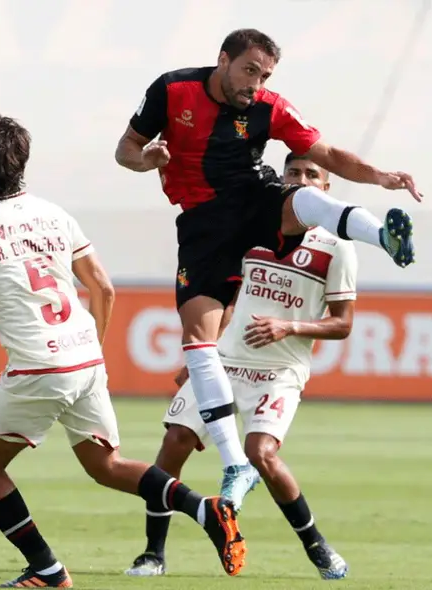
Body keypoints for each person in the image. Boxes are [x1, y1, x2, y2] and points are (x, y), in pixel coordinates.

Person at [0, 114, 247, 587]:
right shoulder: (55, 215)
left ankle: (47, 570)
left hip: (38, 366)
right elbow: (103, 288)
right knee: (106, 466)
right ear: (23, 164)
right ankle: (204, 508)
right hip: (85, 358)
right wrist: (91, 346)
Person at [115, 28, 420, 508]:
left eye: (264, 75)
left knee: (306, 199)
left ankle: (382, 235)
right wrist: (145, 159)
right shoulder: (172, 90)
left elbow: (329, 156)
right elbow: (125, 150)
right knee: (199, 343)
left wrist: (379, 176)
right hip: (203, 226)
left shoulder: (269, 108)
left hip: (253, 200)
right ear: (223, 60)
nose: (255, 84)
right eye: (249, 70)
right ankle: (235, 462)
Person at [124, 152, 354, 580]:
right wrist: (196, 358)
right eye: (293, 172)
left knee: (260, 454)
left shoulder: (336, 248)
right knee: (174, 442)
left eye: (311, 174)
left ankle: (317, 546)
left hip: (279, 372)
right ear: (282, 178)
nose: (301, 179)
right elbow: (227, 299)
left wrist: (289, 326)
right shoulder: (251, 227)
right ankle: (152, 553)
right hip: (224, 361)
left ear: (326, 189)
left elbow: (342, 324)